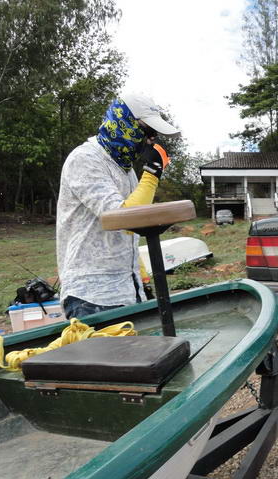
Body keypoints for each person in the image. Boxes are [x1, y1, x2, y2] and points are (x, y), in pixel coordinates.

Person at [56, 88, 179, 319]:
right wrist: (152, 174)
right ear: (124, 123)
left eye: (155, 135)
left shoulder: (126, 171)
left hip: (127, 289)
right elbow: (125, 220)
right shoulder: (85, 159)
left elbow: (136, 228)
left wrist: (140, 278)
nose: (151, 140)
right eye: (148, 131)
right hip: (92, 295)